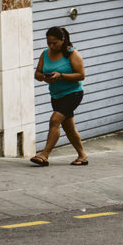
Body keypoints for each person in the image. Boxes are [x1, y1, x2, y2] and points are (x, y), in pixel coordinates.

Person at [31, 26, 89, 167]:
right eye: (49, 42)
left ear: (63, 40)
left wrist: (61, 75)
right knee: (68, 127)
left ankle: (44, 155)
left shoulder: (72, 54)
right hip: (56, 95)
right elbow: (37, 74)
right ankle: (82, 155)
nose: (51, 46)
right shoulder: (45, 54)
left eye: (55, 43)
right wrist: (45, 77)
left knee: (54, 120)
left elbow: (81, 75)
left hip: (73, 94)